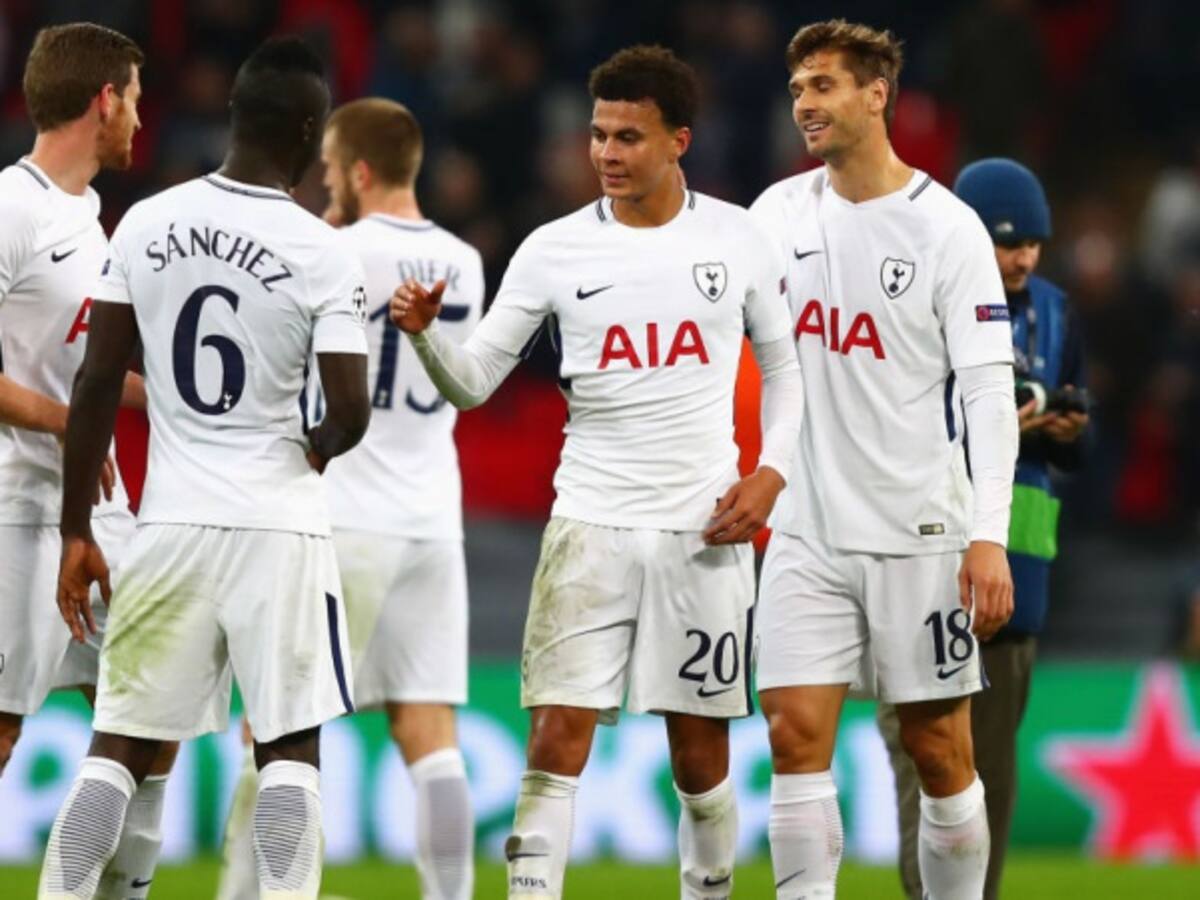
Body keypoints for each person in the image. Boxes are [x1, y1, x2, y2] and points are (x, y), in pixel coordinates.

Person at [391, 45, 804, 900]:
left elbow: (790, 371)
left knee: (699, 755)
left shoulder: (738, 237)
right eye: (598, 134)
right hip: (589, 525)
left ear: (679, 140)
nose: (608, 154)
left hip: (703, 528)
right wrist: (428, 336)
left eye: (629, 137)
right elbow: (472, 385)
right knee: (554, 737)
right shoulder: (554, 250)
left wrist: (772, 475)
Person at [36, 36, 370, 900]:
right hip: (279, 527)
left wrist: (77, 528)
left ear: (233, 116)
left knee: (118, 745)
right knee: (290, 747)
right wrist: (316, 448)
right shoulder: (321, 250)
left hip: (168, 524)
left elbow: (99, 379)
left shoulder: (146, 221)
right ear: (309, 128)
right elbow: (352, 409)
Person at [748, 20, 1019, 900]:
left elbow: (986, 395)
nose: (805, 105)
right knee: (793, 738)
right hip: (806, 529)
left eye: (823, 86)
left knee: (939, 753)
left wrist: (990, 534)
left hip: (919, 529)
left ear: (877, 94)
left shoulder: (949, 230)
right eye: (797, 90)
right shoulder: (775, 215)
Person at [215, 97, 483, 900]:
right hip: (435, 521)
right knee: (431, 735)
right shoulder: (464, 261)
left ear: (359, 172)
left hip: (344, 520)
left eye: (331, 171)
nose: (325, 185)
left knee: (279, 728)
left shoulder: (329, 252)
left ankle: (245, 895)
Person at [0, 23, 179, 899]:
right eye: (136, 99)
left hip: (94, 506)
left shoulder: (88, 216)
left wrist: (188, 399)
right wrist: (69, 422)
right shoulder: (11, 207)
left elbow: (96, 369)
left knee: (158, 708)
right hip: (13, 505)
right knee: (0, 733)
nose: (141, 120)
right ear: (104, 99)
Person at [877, 157, 1088, 900]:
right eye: (1005, 244)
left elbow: (1080, 444)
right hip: (923, 560)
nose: (1020, 257)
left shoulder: (1058, 311)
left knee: (990, 774)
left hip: (1015, 576)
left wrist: (1060, 426)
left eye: (1031, 242)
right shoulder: (916, 300)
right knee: (926, 761)